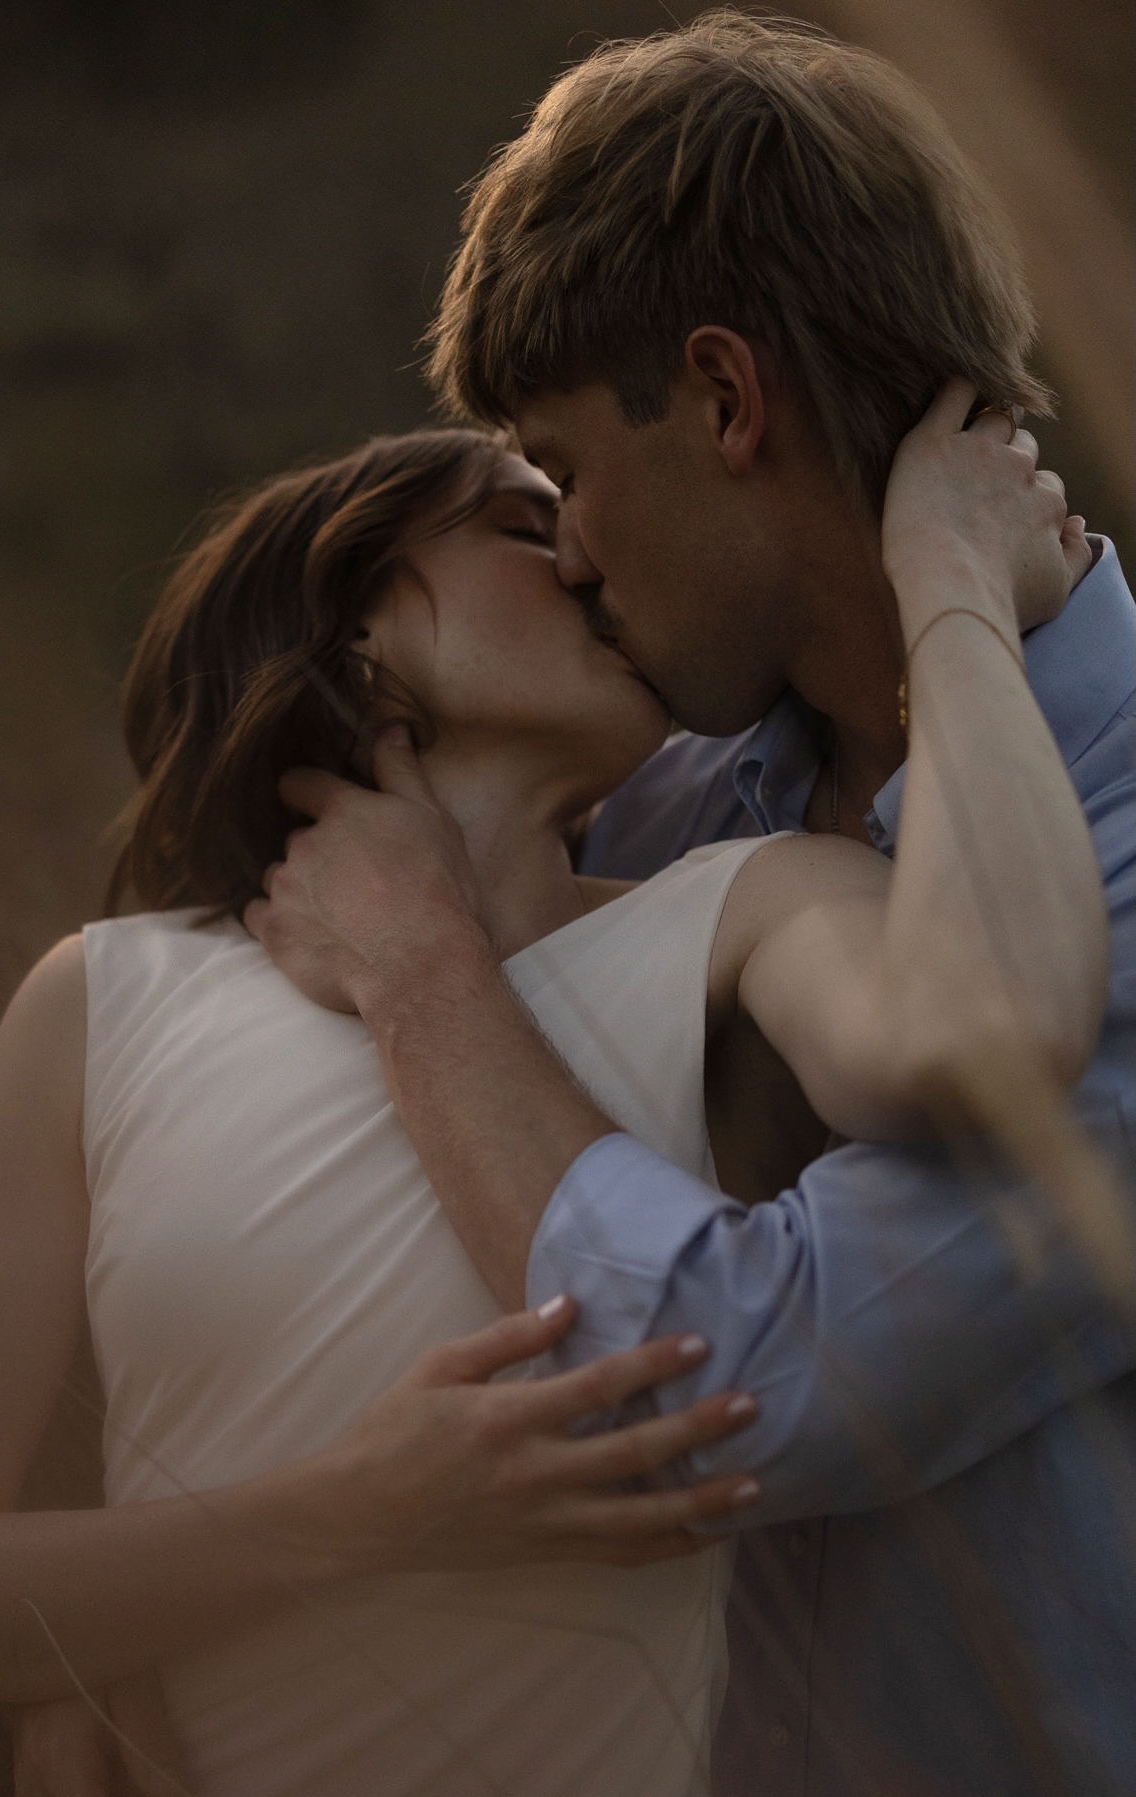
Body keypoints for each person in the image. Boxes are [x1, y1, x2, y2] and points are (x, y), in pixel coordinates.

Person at [0, 384, 1092, 1796]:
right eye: (518, 520)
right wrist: (341, 1518)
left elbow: (987, 1023)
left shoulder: (751, 909)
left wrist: (949, 587)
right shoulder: (103, 1000)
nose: (585, 559)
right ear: (357, 620)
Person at [241, 14, 1136, 1797]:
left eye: (564, 468)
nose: (561, 546)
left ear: (725, 401)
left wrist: (425, 974)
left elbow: (719, 1388)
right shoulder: (678, 778)